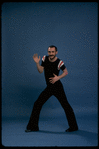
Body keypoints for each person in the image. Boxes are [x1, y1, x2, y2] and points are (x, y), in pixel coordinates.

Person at [25, 45, 78, 132]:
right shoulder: (44, 58)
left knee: (66, 106)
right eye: (49, 52)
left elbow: (66, 72)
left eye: (53, 52)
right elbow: (40, 71)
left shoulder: (59, 62)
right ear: (48, 52)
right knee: (37, 104)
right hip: (49, 88)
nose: (51, 53)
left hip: (58, 88)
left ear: (56, 52)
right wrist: (37, 63)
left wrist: (58, 78)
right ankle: (33, 127)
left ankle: (74, 127)